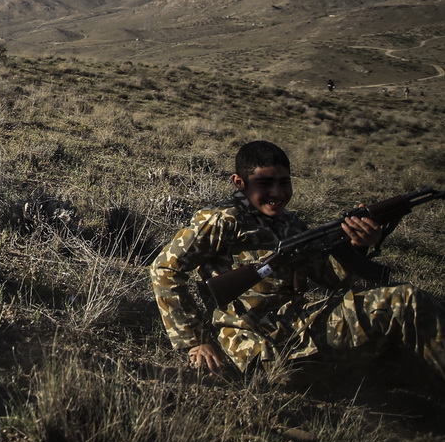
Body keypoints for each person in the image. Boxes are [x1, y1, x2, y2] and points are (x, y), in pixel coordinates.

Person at [150, 140, 445, 383]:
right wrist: (195, 340)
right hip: (261, 344)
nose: (277, 193)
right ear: (239, 183)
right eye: (264, 184)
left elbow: (330, 278)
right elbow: (165, 268)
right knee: (407, 301)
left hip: (299, 328)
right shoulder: (222, 219)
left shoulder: (292, 225)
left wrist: (356, 245)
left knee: (416, 317)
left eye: (284, 183)